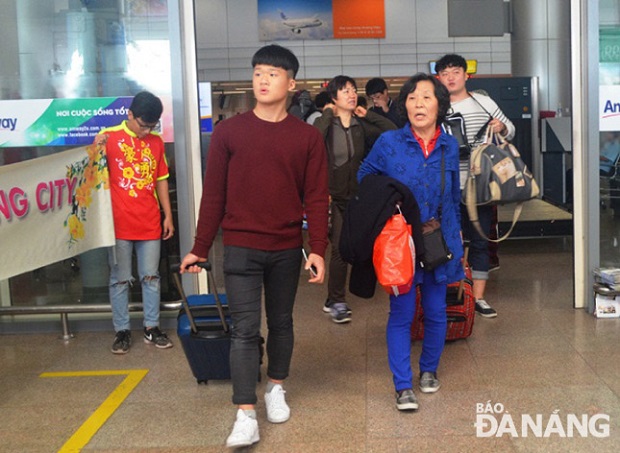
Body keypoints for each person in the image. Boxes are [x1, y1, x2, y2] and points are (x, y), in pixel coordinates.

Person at [179, 44, 329, 449]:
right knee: (245, 331)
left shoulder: (307, 138)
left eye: (273, 73)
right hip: (241, 247)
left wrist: (317, 249)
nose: (263, 80)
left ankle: (276, 387)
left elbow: (316, 196)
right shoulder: (229, 132)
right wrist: (199, 246)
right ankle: (245, 413)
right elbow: (214, 196)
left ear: (291, 83)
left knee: (281, 323)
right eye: (258, 72)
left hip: (284, 248)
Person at [358, 73, 464, 411]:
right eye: (412, 97)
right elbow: (365, 177)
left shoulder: (448, 144)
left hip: (437, 240)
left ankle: (429, 370)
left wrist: (457, 241)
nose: (419, 104)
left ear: (440, 105)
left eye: (427, 98)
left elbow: (454, 198)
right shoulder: (389, 143)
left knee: (435, 311)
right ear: (404, 104)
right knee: (402, 314)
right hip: (402, 243)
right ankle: (403, 385)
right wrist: (389, 210)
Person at [436, 53, 516, 318]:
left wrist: (501, 126)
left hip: (479, 183)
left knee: (480, 240)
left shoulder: (482, 101)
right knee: (447, 242)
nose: (451, 77)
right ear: (438, 77)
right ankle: (453, 294)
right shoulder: (435, 104)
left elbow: (511, 130)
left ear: (465, 75)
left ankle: (478, 298)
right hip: (445, 184)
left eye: (455, 72)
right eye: (445, 73)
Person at [313, 75, 397, 323]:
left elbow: (390, 131)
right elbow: (314, 140)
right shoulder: (325, 123)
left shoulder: (361, 126)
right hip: (334, 197)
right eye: (345, 91)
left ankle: (344, 294)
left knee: (359, 245)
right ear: (333, 98)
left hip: (358, 196)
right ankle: (336, 301)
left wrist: (367, 114)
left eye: (353, 90)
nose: (351, 94)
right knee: (339, 249)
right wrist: (328, 114)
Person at [95, 91, 175, 354]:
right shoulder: (109, 137)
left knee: (151, 277)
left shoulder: (156, 142)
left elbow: (161, 179)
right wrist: (96, 148)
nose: (146, 131)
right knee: (119, 279)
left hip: (149, 220)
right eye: (143, 125)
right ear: (129, 115)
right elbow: (91, 175)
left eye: (151, 126)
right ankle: (122, 330)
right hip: (117, 224)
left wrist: (168, 214)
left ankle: (151, 328)